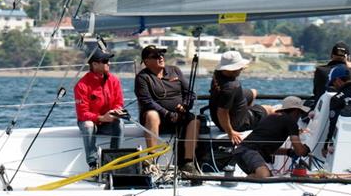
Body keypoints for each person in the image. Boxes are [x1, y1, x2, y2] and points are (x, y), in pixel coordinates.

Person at [134, 44, 200, 173]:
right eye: (156, 55)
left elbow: (190, 93)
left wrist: (185, 106)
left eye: (162, 54)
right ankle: (152, 160)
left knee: (194, 119)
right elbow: (146, 101)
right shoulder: (142, 77)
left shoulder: (175, 70)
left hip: (179, 115)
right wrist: (167, 113)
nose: (161, 57)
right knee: (152, 115)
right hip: (157, 118)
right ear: (146, 61)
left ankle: (187, 162)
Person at [232, 96, 312, 178]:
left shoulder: (272, 117)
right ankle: (241, 182)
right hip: (248, 151)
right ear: (296, 111)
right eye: (300, 113)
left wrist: (288, 152)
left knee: (269, 176)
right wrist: (306, 150)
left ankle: (245, 181)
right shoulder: (291, 122)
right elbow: (299, 151)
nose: (299, 116)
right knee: (264, 175)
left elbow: (267, 148)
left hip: (240, 151)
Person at [74, 48, 125, 169]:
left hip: (108, 121)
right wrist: (101, 117)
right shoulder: (81, 85)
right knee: (88, 125)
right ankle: (93, 163)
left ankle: (114, 161)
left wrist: (115, 111)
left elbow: (119, 102)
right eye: (105, 61)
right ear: (95, 64)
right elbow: (82, 114)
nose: (109, 63)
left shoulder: (114, 80)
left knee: (120, 122)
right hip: (92, 123)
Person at [209, 50, 272, 145]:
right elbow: (222, 112)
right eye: (240, 68)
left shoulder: (218, 77)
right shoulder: (231, 87)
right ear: (232, 69)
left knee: (253, 92)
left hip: (221, 120)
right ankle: (249, 118)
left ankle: (247, 111)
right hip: (234, 124)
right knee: (270, 109)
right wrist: (230, 133)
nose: (242, 69)